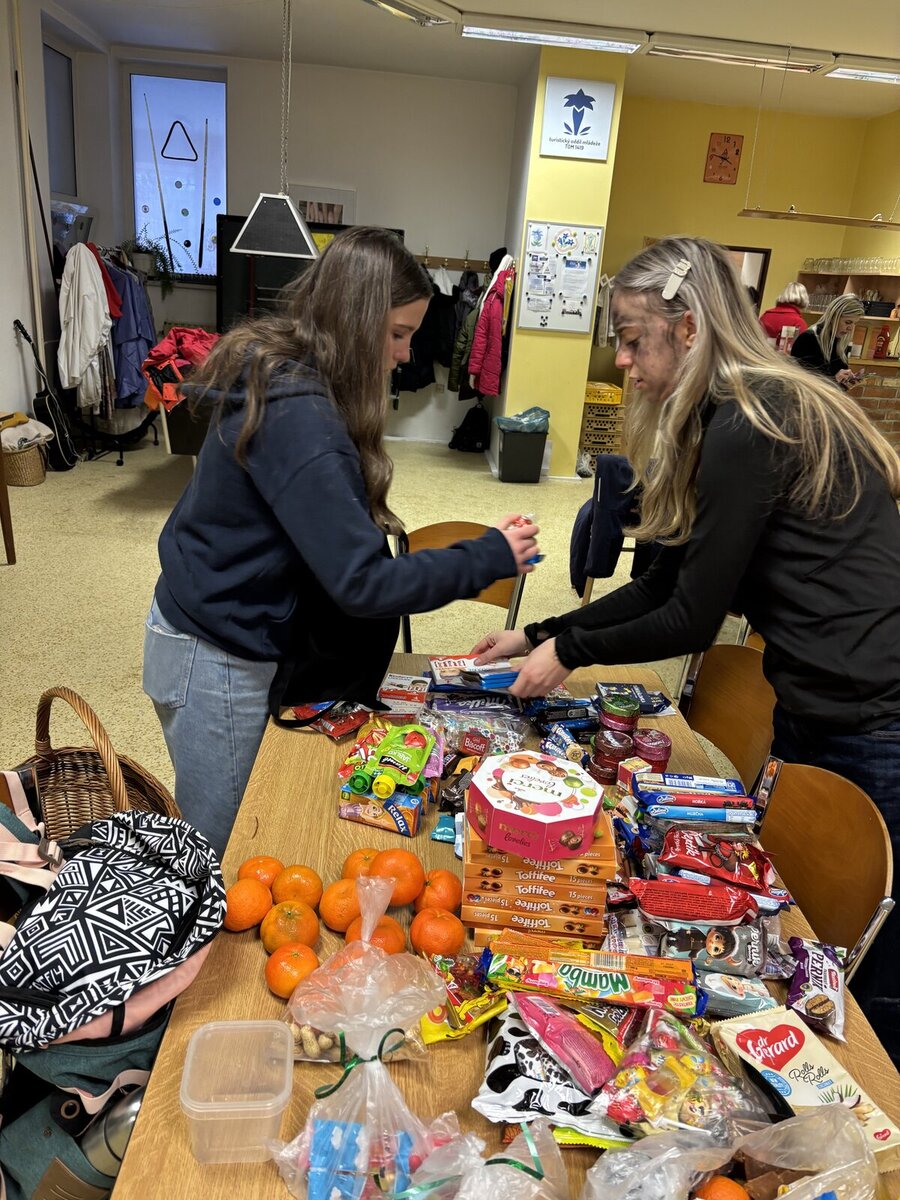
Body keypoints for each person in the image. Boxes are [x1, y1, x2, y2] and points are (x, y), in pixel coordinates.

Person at [471, 235, 900, 1061]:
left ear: (691, 328)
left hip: (874, 714)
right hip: (818, 696)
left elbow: (691, 621)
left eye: (634, 340)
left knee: (861, 977)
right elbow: (662, 584)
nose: (624, 361)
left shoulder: (751, 423)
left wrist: (570, 653)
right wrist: (539, 631)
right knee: (788, 923)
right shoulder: (723, 414)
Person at [143, 226, 539, 859]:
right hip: (214, 651)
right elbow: (364, 583)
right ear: (357, 322)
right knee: (223, 846)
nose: (405, 354)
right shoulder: (301, 417)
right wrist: (489, 555)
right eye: (398, 334)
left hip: (219, 626)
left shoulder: (291, 375)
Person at [790, 293, 865, 389]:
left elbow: (837, 385)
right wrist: (834, 379)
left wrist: (847, 383)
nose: (851, 328)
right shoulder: (808, 339)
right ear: (833, 317)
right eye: (848, 322)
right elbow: (800, 382)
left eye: (854, 323)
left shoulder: (841, 343)